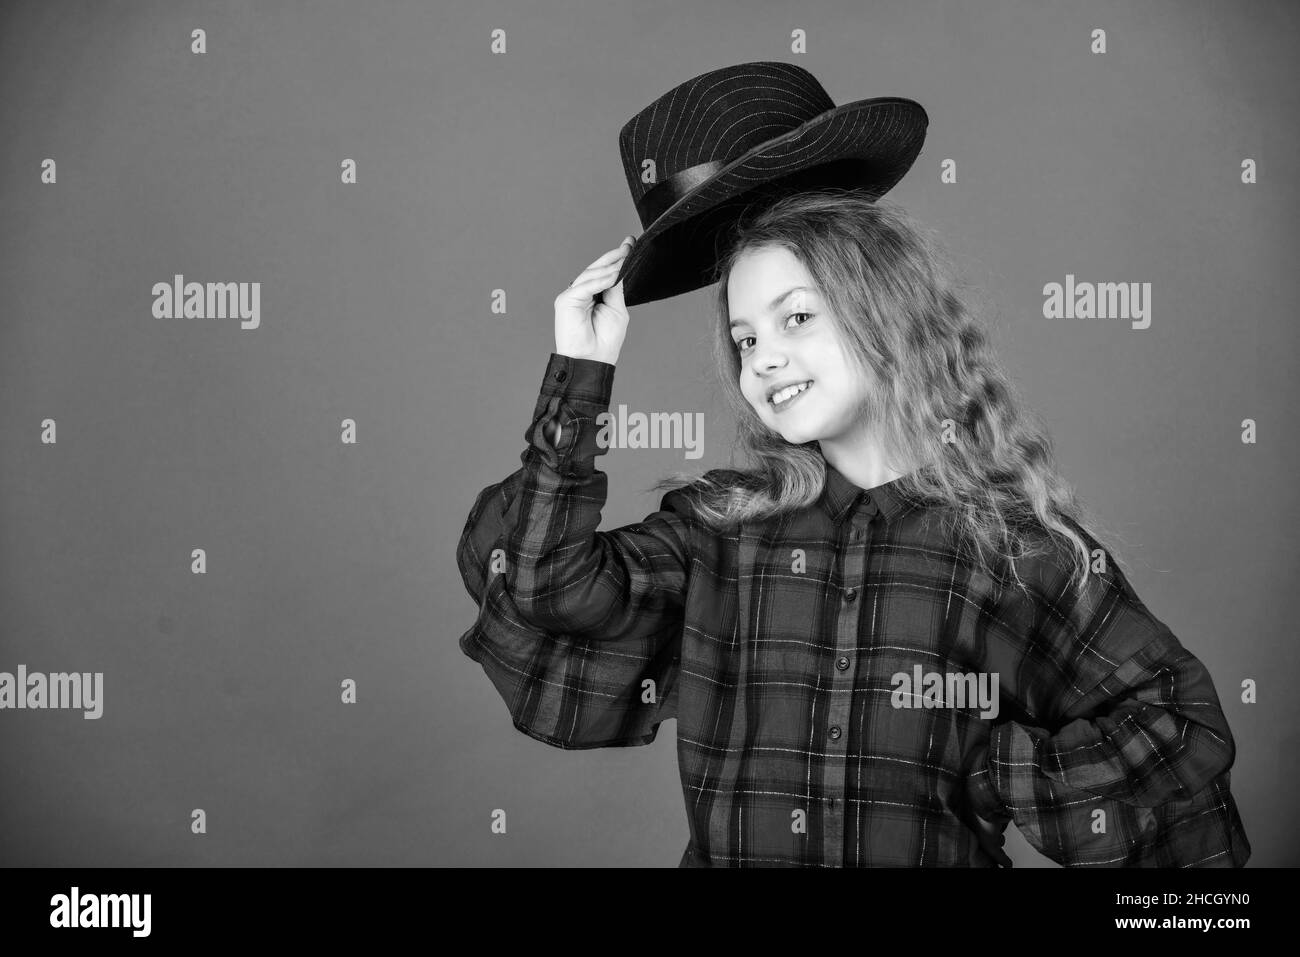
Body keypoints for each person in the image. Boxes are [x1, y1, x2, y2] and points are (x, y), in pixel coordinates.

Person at [456, 188, 1250, 867]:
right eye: (745, 340)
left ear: (887, 316)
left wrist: (1005, 771)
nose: (763, 358)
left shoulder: (1012, 547)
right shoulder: (720, 528)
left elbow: (1175, 723)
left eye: (796, 317)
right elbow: (541, 582)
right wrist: (581, 369)